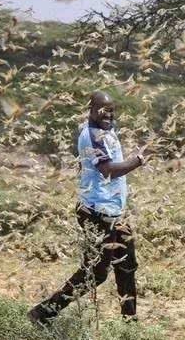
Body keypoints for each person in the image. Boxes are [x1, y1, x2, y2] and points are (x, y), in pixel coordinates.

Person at [28, 90, 148, 326]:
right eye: (102, 109)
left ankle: (130, 323)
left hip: (114, 212)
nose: (108, 114)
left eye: (111, 110)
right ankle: (42, 313)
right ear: (91, 110)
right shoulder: (92, 135)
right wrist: (138, 161)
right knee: (96, 272)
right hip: (97, 213)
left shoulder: (107, 130)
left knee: (126, 264)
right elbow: (107, 169)